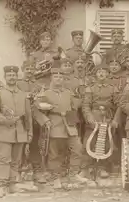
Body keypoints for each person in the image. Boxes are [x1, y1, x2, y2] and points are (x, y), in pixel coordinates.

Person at [33, 62, 88, 190]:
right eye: (56, 77)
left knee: (77, 149)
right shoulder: (45, 93)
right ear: (51, 79)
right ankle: (55, 177)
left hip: (69, 125)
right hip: (54, 125)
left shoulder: (69, 92)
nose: (59, 79)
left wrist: (81, 93)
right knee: (54, 154)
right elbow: (36, 110)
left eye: (61, 77)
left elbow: (75, 106)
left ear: (64, 79)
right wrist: (45, 120)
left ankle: (73, 174)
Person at [0, 66, 33, 197]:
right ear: (5, 77)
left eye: (14, 75)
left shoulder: (23, 95)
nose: (12, 77)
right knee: (4, 159)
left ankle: (12, 184)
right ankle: (2, 185)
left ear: (17, 76)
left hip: (20, 131)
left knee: (16, 160)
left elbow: (28, 115)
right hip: (3, 131)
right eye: (9, 75)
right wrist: (6, 120)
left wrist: (29, 132)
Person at [82, 63, 120, 182]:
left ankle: (102, 167)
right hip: (94, 116)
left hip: (107, 117)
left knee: (106, 142)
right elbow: (86, 105)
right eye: (99, 72)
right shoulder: (90, 88)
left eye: (104, 72)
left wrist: (115, 120)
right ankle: (88, 168)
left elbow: (119, 105)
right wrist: (89, 118)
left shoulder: (113, 88)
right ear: (96, 74)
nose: (101, 74)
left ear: (108, 74)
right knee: (90, 141)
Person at [17, 59, 48, 184]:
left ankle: (37, 172)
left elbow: (43, 102)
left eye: (31, 69)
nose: (29, 71)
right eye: (27, 69)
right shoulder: (18, 84)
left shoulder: (39, 85)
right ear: (23, 70)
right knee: (19, 146)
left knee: (35, 145)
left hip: (35, 120)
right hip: (21, 119)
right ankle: (18, 171)